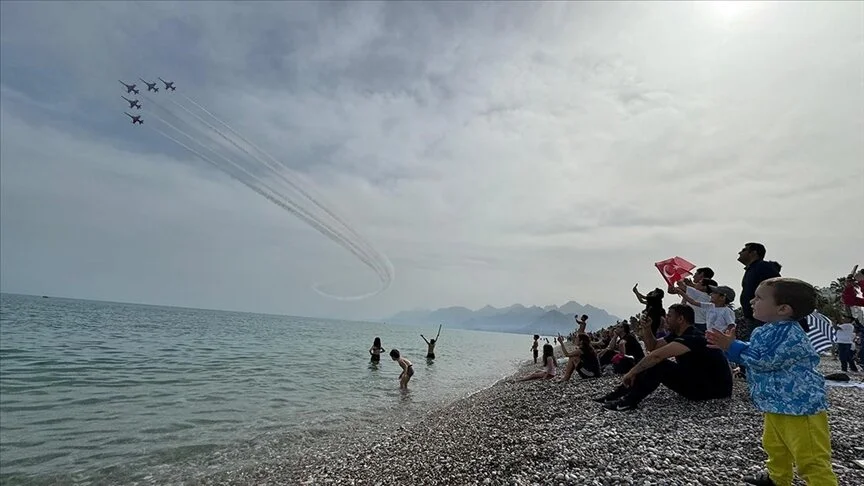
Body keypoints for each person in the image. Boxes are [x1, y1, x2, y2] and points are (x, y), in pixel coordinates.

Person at [707, 277, 837, 486]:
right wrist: (734, 346)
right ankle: (778, 478)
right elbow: (759, 352)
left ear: (783, 309)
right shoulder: (768, 330)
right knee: (775, 445)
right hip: (776, 402)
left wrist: (733, 347)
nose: (751, 301)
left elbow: (766, 359)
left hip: (800, 406)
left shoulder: (790, 332)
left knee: (811, 456)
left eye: (759, 298)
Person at [595, 304, 733, 411]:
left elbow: (657, 356)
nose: (666, 318)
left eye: (669, 316)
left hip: (714, 390)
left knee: (658, 364)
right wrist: (647, 328)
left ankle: (628, 402)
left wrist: (631, 372)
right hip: (700, 381)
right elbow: (653, 347)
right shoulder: (678, 334)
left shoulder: (693, 337)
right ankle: (616, 395)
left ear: (680, 319)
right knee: (650, 362)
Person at [738, 243, 783, 341]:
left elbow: (778, 286)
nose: (739, 253)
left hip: (763, 317)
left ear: (753, 253)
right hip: (754, 316)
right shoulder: (752, 269)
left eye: (744, 250)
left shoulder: (762, 266)